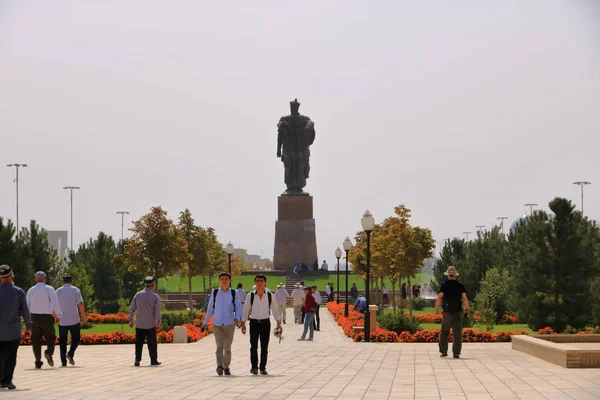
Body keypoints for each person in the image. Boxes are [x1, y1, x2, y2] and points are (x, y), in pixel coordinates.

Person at [202, 272, 242, 376]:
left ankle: (226, 366)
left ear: (229, 280)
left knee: (227, 347)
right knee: (219, 345)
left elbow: (238, 306)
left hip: (229, 323)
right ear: (219, 280)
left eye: (226, 279)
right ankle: (219, 366)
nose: (224, 281)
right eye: (222, 279)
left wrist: (237, 317)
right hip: (217, 323)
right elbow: (210, 307)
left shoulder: (234, 293)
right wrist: (205, 322)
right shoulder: (215, 292)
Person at [240, 275, 282, 375]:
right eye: (257, 281)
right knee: (253, 346)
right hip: (254, 323)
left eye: (261, 281)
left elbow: (275, 309)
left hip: (265, 323)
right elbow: (246, 309)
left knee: (264, 346)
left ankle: (263, 367)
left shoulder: (270, 296)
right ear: (255, 282)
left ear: (265, 283)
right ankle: (254, 367)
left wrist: (278, 323)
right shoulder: (250, 295)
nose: (259, 283)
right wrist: (243, 323)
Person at [0, 265, 31, 390]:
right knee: (11, 356)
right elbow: (25, 311)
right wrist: (29, 327)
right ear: (11, 275)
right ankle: (7, 380)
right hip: (13, 331)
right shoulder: (18, 292)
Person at [26, 271, 61, 369]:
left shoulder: (31, 290)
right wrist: (58, 315)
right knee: (50, 337)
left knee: (36, 340)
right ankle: (49, 352)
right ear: (45, 278)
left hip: (34, 317)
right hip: (47, 317)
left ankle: (38, 361)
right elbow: (55, 303)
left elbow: (27, 306)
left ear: (35, 279)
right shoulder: (49, 289)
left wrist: (27, 320)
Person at [435, 266, 469, 359]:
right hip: (458, 312)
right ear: (455, 275)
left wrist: (436, 308)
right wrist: (467, 309)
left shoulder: (444, 285)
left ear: (448, 275)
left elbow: (439, 297)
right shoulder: (460, 286)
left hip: (447, 312)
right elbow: (465, 299)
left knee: (444, 332)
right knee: (457, 333)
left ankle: (443, 351)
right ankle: (456, 353)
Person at [128, 276, 162, 367]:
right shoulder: (155, 297)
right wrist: (158, 323)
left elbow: (132, 309)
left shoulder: (138, 295)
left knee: (139, 343)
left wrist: (131, 320)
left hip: (139, 324)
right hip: (150, 324)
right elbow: (157, 311)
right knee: (152, 344)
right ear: (153, 285)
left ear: (145, 285)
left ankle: (137, 359)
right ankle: (153, 360)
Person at [56, 275, 85, 367]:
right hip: (74, 319)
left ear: (63, 282)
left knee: (62, 341)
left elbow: (54, 304)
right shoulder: (76, 290)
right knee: (76, 339)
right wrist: (83, 315)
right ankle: (70, 353)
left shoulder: (58, 291)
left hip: (62, 319)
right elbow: (80, 303)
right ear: (71, 281)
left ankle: (63, 361)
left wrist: (55, 316)